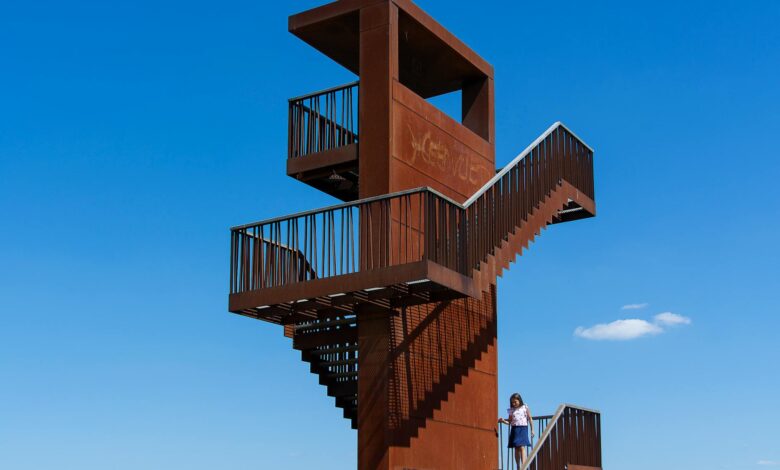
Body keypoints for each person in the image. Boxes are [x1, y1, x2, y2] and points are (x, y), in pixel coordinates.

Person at [498, 393, 535, 468]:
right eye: (512, 402)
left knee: (522, 447)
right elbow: (510, 421)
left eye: (515, 402)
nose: (514, 403)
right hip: (515, 429)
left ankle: (524, 465)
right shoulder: (511, 410)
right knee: (516, 447)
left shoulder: (525, 407)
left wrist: (532, 429)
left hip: (523, 428)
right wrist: (503, 421)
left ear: (519, 400)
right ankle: (518, 465)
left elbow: (530, 418)